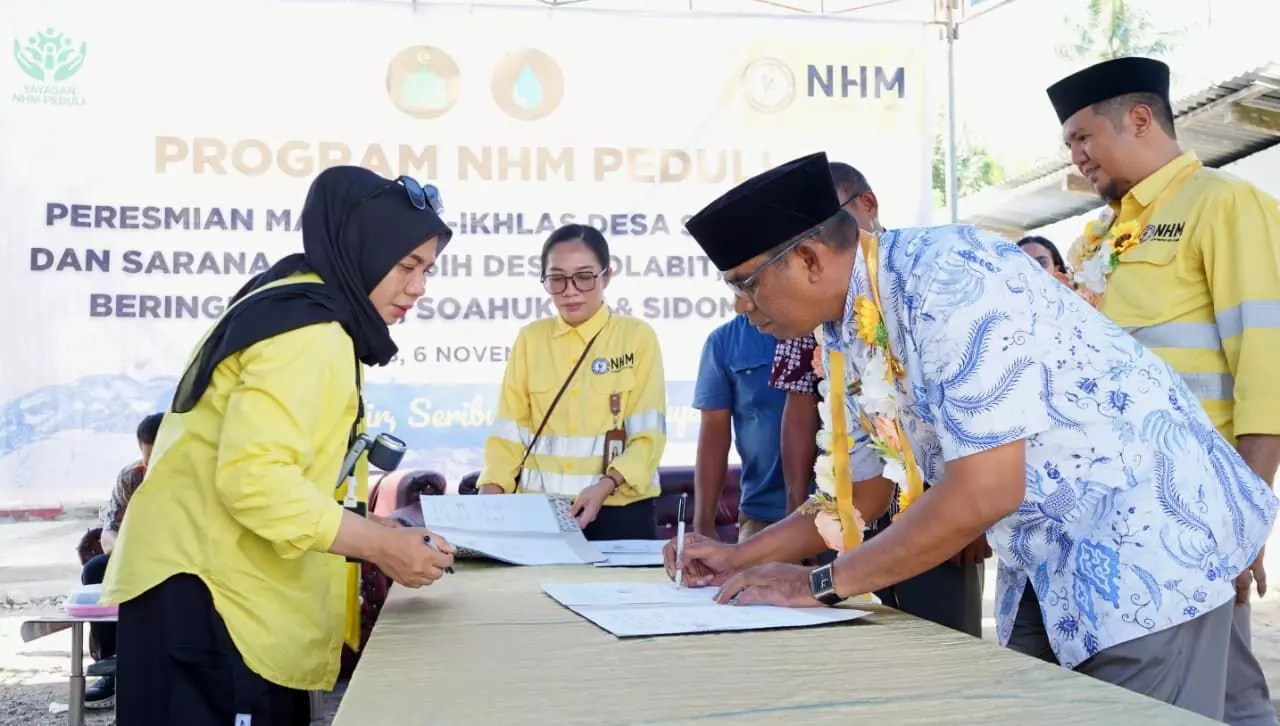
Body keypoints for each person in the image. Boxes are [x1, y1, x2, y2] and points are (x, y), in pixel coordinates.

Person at [667, 151, 1278, 721]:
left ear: (807, 260)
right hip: (1048, 557)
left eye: (743, 283)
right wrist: (736, 557)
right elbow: (863, 490)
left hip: (1142, 541)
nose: (741, 306)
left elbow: (984, 491)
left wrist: (823, 583)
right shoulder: (848, 326)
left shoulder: (950, 276)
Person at [101, 166, 458, 726]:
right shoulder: (311, 334)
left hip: (210, 596)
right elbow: (255, 481)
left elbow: (281, 470)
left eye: (428, 270)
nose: (418, 288)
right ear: (361, 249)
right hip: (213, 604)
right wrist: (376, 546)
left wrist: (375, 530)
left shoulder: (301, 306)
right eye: (406, 265)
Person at [1047, 55, 1280, 725]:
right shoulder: (1100, 234)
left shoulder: (1224, 204)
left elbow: (1265, 372)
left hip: (1194, 518)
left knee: (1205, 700)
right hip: (1116, 525)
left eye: (1082, 137)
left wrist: (1241, 524)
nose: (1077, 156)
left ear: (1140, 119)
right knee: (1223, 699)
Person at [768, 161, 987, 638]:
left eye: (832, 223)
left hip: (946, 512)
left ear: (867, 206)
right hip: (856, 512)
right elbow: (806, 415)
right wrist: (746, 552)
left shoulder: (932, 278)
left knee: (944, 655)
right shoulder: (817, 313)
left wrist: (974, 521)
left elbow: (981, 437)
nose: (818, 247)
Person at [478, 224, 667, 540]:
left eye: (584, 276)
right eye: (557, 279)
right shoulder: (530, 340)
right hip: (540, 516)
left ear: (606, 277)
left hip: (619, 511)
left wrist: (605, 486)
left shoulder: (637, 337)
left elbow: (649, 436)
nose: (570, 290)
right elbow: (509, 433)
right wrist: (490, 492)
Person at [78, 411, 163, 710]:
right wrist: (122, 554)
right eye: (148, 457)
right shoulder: (131, 477)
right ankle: (110, 667)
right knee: (96, 570)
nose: (153, 466)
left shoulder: (196, 477)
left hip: (184, 559)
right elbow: (109, 532)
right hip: (137, 556)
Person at [692, 313, 799, 542]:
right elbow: (714, 440)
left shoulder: (820, 328)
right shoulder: (723, 341)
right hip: (763, 514)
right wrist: (703, 524)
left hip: (842, 508)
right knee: (750, 578)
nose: (743, 300)